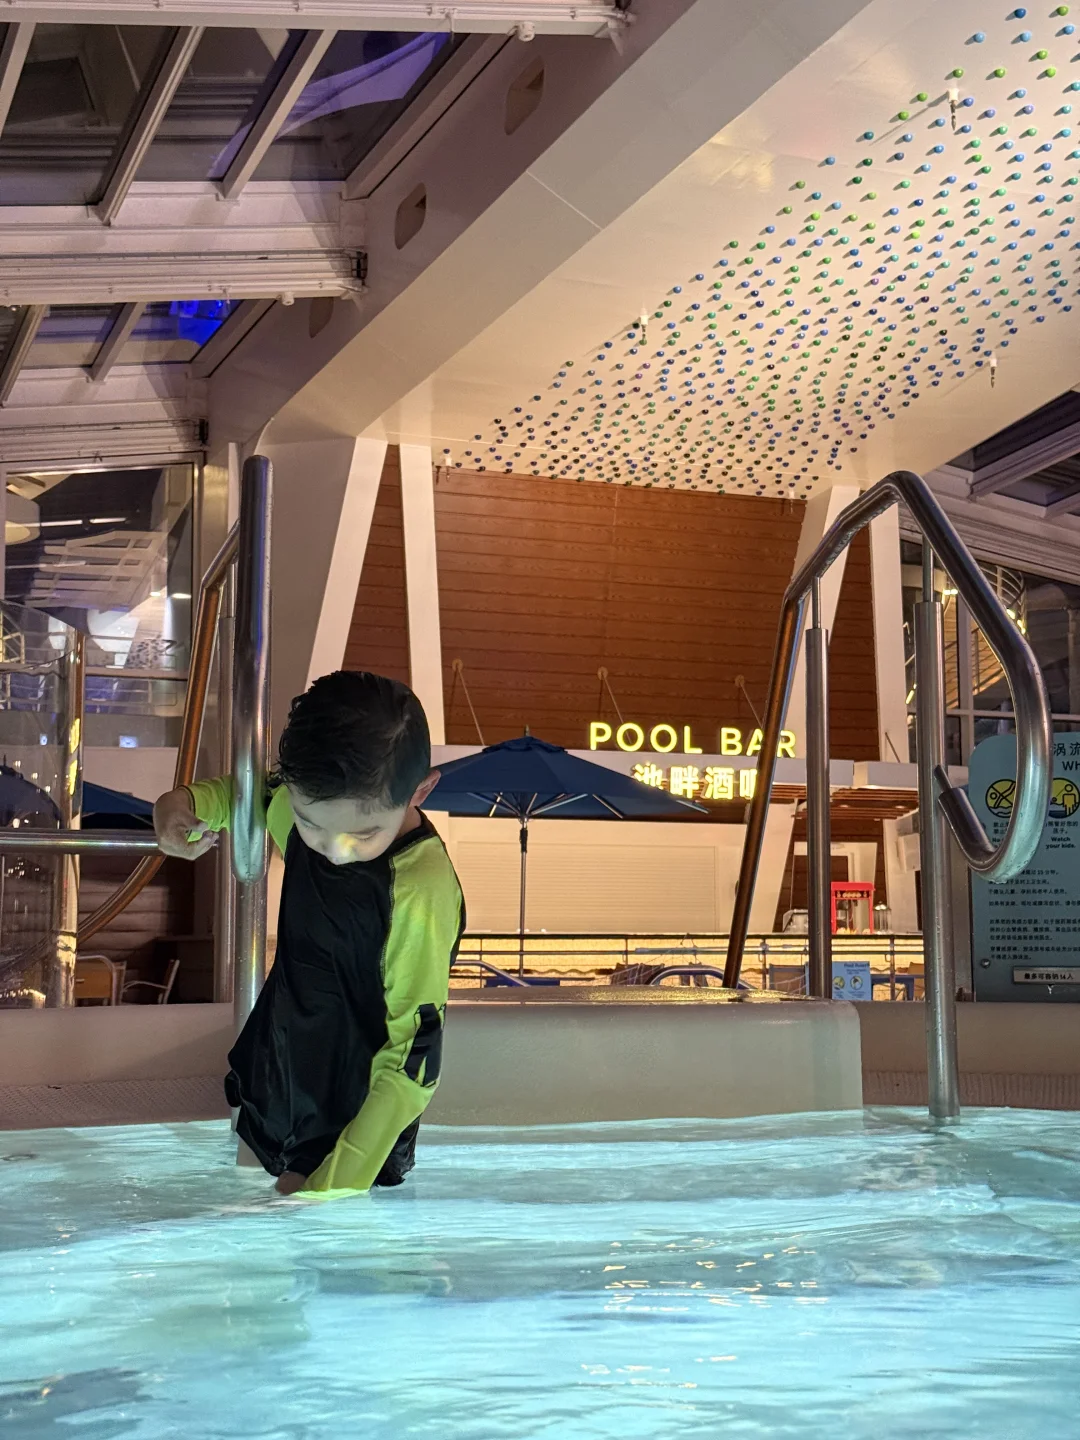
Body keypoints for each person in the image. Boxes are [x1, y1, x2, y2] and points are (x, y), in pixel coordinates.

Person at [153, 670, 464, 1199]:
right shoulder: (301, 809)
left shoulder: (419, 891)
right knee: (245, 1195)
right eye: (310, 824)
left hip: (354, 1111)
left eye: (363, 834)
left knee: (301, 1225)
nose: (334, 851)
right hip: (275, 1068)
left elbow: (413, 1055)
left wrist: (337, 1184)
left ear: (421, 791)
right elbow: (250, 794)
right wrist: (180, 804)